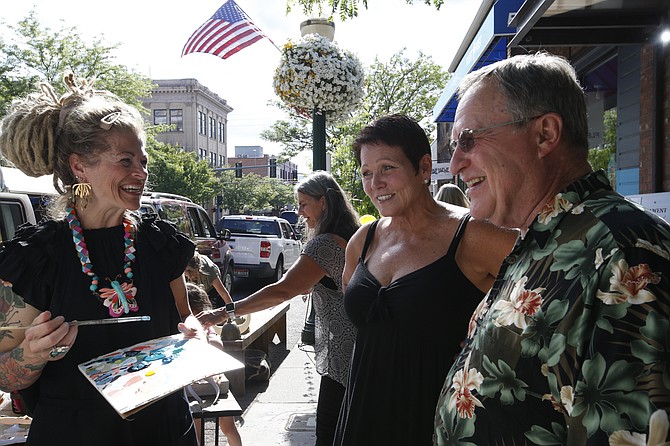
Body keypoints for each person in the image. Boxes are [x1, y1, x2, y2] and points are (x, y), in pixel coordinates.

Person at [433, 52, 670, 445]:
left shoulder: (626, 252)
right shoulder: (542, 235)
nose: (456, 162)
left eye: (469, 140)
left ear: (545, 134)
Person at [0, 73, 205, 445]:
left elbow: (184, 315)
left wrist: (196, 331)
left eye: (142, 160)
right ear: (79, 167)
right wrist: (32, 353)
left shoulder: (159, 243)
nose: (140, 173)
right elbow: (3, 374)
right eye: (125, 161)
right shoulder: (36, 257)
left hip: (165, 431)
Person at [333, 114, 518, 446]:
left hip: (436, 421)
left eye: (388, 168)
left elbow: (541, 309)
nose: (376, 184)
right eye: (366, 173)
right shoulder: (363, 241)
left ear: (424, 167)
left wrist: (489, 347)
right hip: (362, 415)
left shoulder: (473, 235)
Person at [198, 170, 360, 446]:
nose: (299, 213)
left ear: (323, 202)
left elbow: (282, 290)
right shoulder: (349, 235)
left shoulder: (323, 244)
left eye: (303, 204)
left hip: (342, 358)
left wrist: (226, 311)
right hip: (358, 349)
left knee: (329, 434)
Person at [185, 283, 242, 446]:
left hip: (213, 381)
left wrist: (203, 338)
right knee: (195, 429)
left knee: (228, 427)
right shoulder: (179, 329)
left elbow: (218, 345)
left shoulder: (204, 328)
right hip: (191, 385)